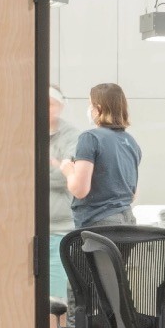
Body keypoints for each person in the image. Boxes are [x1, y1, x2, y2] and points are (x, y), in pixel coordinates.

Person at [62, 82, 141, 229]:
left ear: (98, 109)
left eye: (90, 105)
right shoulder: (131, 142)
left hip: (100, 224)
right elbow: (132, 194)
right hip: (128, 223)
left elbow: (80, 190)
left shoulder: (90, 138)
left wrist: (69, 171)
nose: (89, 109)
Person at [47, 88, 84, 328]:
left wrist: (53, 167)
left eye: (52, 103)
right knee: (37, 303)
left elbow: (65, 179)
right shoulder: (28, 128)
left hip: (61, 228)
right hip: (32, 228)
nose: (47, 109)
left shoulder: (73, 136)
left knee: (57, 302)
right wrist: (55, 165)